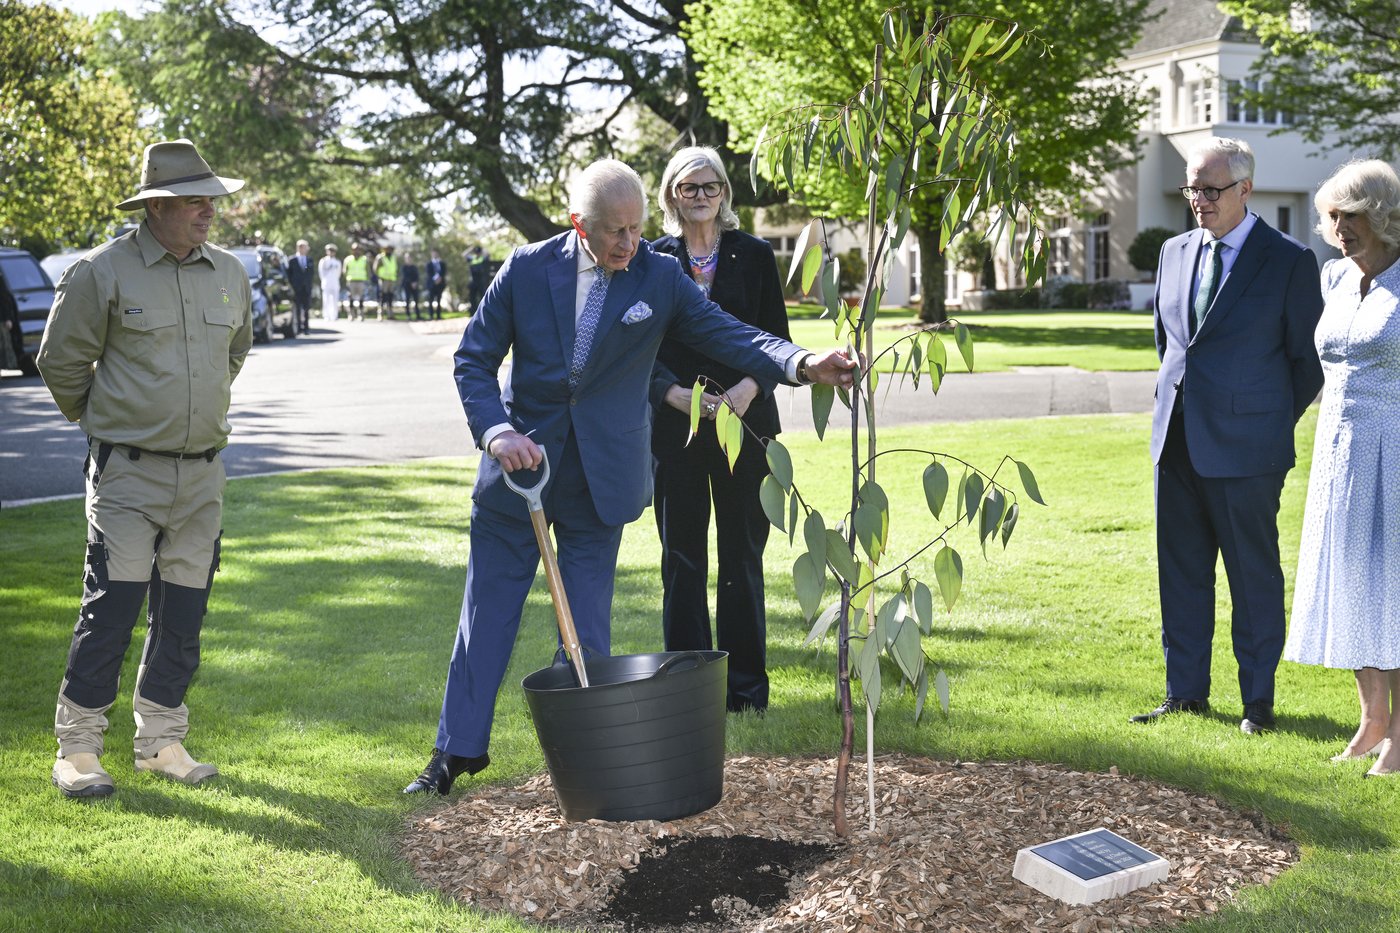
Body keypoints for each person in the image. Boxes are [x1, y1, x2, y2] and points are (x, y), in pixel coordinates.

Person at [403, 158, 859, 796]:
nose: (628, 243)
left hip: (602, 479)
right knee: (487, 616)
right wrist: (497, 431)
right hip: (519, 473)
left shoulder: (659, 276)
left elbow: (733, 336)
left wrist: (804, 362)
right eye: (614, 231)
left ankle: (584, 764)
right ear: (578, 224)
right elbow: (473, 360)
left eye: (637, 228)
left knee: (585, 633)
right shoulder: (526, 269)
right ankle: (455, 753)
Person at [35, 138, 253, 798]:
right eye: (194, 201)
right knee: (113, 609)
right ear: (156, 206)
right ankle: (78, 749)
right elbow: (59, 362)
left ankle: (161, 741)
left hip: (203, 476)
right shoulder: (101, 272)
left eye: (211, 200)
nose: (208, 210)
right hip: (127, 474)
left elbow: (232, 356)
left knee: (183, 614)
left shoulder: (229, 273)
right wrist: (112, 420)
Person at [1133, 137, 1324, 734]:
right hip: (1176, 443)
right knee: (1181, 574)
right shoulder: (1172, 252)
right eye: (1192, 188)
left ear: (1246, 189)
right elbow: (1170, 345)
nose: (1199, 200)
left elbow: (1307, 363)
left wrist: (1263, 423)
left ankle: (1257, 703)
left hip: (1249, 453)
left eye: (1211, 189)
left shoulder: (1288, 260)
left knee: (1253, 578)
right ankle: (1185, 694)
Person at [649, 146, 790, 713]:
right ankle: (689, 691)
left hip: (747, 428)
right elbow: (635, 347)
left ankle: (746, 694)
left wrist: (750, 388)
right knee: (682, 561)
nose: (702, 196)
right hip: (676, 432)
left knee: (742, 559)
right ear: (672, 195)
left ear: (725, 192)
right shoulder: (652, 260)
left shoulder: (754, 254)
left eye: (711, 186)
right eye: (690, 187)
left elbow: (776, 339)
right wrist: (671, 393)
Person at [1283, 160, 1400, 774]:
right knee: (1353, 581)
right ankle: (1372, 720)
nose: (1339, 228)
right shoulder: (1334, 277)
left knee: (1392, 588)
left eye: (1350, 215)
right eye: (1332, 217)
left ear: (1380, 215)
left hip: (1394, 450)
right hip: (1338, 453)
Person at [286, 239, 315, 334]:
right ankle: (298, 328)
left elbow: (311, 274)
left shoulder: (309, 260)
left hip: (306, 288)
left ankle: (306, 328)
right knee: (297, 308)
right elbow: (289, 275)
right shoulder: (292, 260)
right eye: (305, 247)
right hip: (296, 289)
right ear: (300, 248)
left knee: (306, 308)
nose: (307, 249)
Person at [343, 242, 370, 321]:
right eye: (355, 249)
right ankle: (351, 314)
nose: (356, 251)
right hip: (351, 281)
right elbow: (344, 271)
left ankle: (360, 314)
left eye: (358, 249)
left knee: (361, 298)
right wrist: (347, 279)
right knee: (350, 298)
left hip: (361, 281)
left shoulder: (364, 259)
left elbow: (368, 271)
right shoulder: (348, 259)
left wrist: (367, 280)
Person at [318, 244, 342, 323]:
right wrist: (324, 281)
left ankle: (334, 315)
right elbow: (321, 272)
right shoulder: (323, 261)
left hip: (335, 282)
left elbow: (339, 273)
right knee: (326, 299)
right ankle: (326, 315)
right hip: (326, 282)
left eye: (332, 251)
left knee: (335, 300)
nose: (331, 252)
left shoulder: (337, 262)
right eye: (329, 251)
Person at [375, 244, 399, 320]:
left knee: (390, 297)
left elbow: (395, 268)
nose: (388, 251)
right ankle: (380, 314)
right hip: (383, 279)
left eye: (390, 249)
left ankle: (390, 314)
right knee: (382, 296)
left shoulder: (393, 257)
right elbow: (375, 268)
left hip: (391, 279)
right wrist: (380, 277)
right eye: (387, 249)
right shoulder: (380, 257)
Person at [425, 249, 447, 320]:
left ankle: (438, 315)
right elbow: (429, 273)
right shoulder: (429, 264)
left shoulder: (442, 264)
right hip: (432, 285)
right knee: (430, 300)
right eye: (433, 253)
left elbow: (443, 272)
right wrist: (435, 279)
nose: (435, 255)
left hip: (440, 284)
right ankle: (431, 315)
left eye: (436, 253)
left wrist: (439, 278)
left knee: (439, 300)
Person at [467, 244, 489, 312]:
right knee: (472, 297)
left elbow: (487, 254)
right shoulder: (472, 258)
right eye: (476, 252)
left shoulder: (483, 258)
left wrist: (482, 248)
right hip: (474, 281)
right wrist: (471, 248)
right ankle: (473, 311)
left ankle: (482, 311)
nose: (477, 254)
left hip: (481, 281)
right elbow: (464, 255)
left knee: (482, 296)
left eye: (478, 252)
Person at [401, 250, 422, 320]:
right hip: (407, 286)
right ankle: (408, 315)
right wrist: (411, 283)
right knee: (407, 300)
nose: (408, 259)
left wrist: (415, 283)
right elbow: (405, 277)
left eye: (409, 258)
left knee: (416, 300)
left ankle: (418, 315)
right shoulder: (404, 267)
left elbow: (417, 276)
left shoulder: (414, 267)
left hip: (414, 286)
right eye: (407, 258)